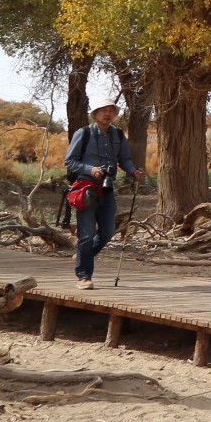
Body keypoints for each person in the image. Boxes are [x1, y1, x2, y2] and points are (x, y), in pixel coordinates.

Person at [64, 98, 138, 288]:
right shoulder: (84, 133)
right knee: (86, 235)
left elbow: (125, 159)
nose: (107, 114)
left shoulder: (118, 135)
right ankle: (84, 276)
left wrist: (133, 171)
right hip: (86, 189)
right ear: (95, 113)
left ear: (115, 114)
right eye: (103, 110)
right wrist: (91, 169)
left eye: (111, 110)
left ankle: (83, 255)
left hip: (107, 188)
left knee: (107, 232)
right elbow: (70, 161)